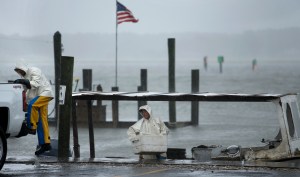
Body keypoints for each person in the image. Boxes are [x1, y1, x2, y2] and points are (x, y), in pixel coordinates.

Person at [14, 61, 53, 155]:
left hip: (45, 93)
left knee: (33, 105)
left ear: (23, 68)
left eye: (20, 70)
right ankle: (45, 144)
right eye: (18, 71)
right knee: (42, 120)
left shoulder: (34, 70)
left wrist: (24, 81)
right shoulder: (25, 77)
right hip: (40, 96)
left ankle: (31, 127)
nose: (20, 72)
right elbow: (27, 92)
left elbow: (35, 84)